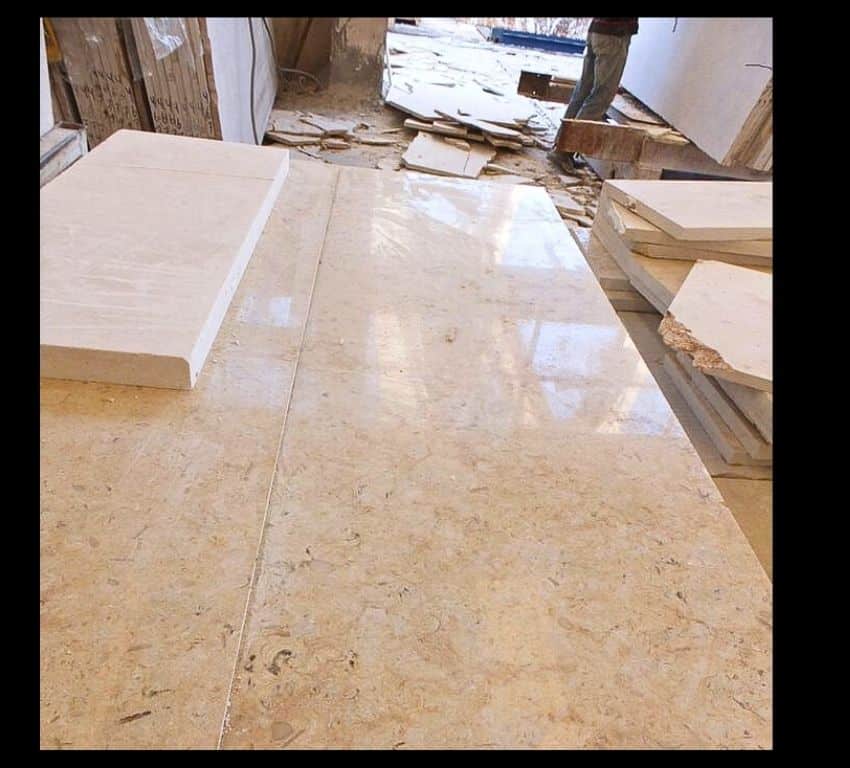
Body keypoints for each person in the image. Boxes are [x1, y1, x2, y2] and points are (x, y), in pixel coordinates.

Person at [551, 17, 639, 171]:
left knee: (584, 90)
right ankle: (565, 150)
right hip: (614, 35)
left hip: (597, 31)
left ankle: (561, 146)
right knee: (601, 96)